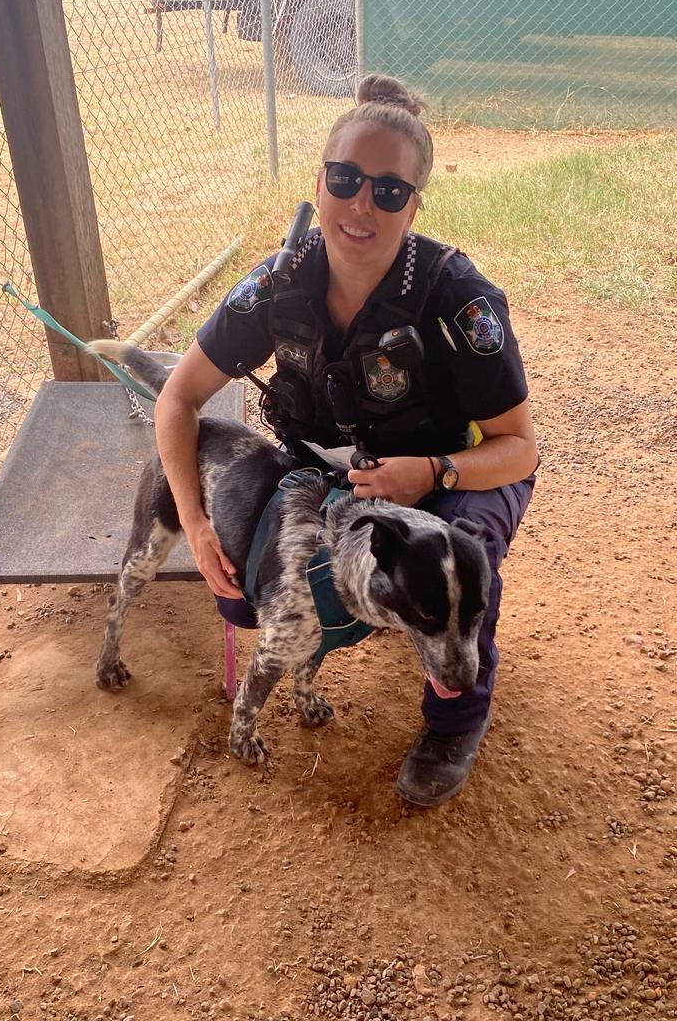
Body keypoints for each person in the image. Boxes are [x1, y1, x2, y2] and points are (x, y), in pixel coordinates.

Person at [153, 73, 539, 807]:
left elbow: (520, 448)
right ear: (322, 180)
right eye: (347, 179)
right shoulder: (277, 285)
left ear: (415, 203)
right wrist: (197, 527)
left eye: (390, 191)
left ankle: (455, 716)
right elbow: (178, 398)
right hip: (328, 471)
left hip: (453, 472)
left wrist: (434, 473)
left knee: (455, 559)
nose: (363, 204)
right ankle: (389, 607)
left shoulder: (458, 299)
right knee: (244, 597)